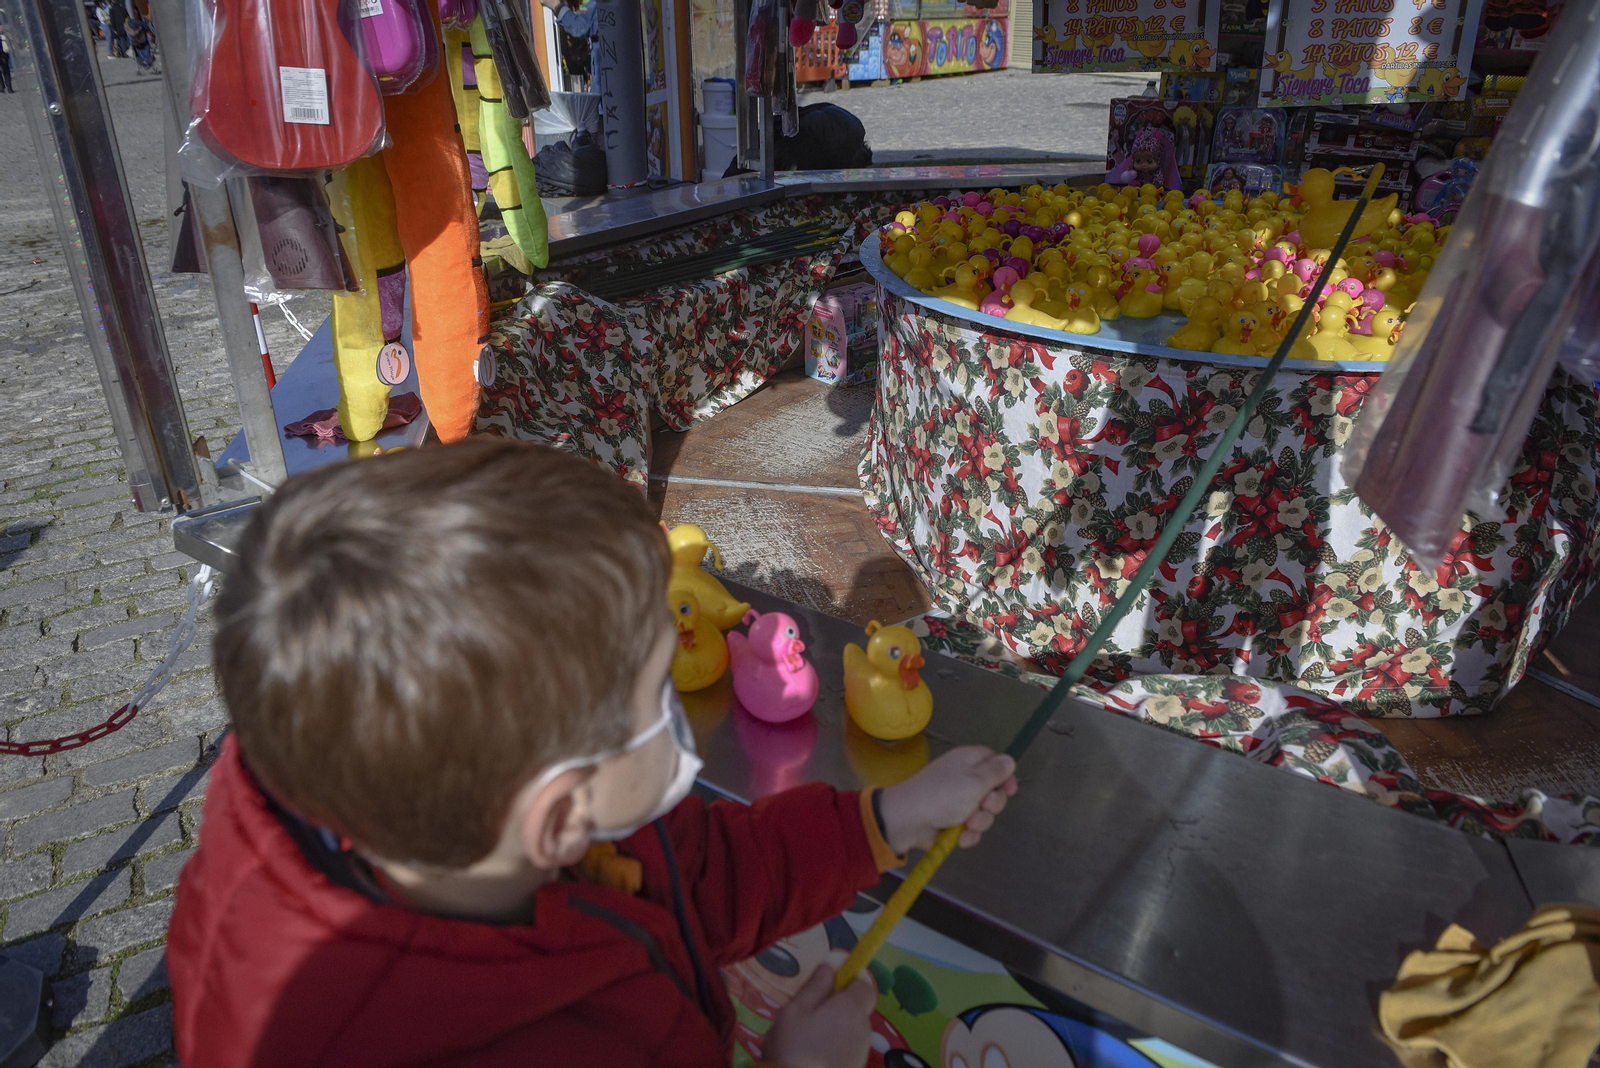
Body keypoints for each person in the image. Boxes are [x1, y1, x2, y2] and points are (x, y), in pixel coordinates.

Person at [165, 439, 1019, 1067]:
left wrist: (884, 820)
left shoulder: (408, 786)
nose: (684, 698)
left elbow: (691, 878)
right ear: (559, 817)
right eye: (659, 691)